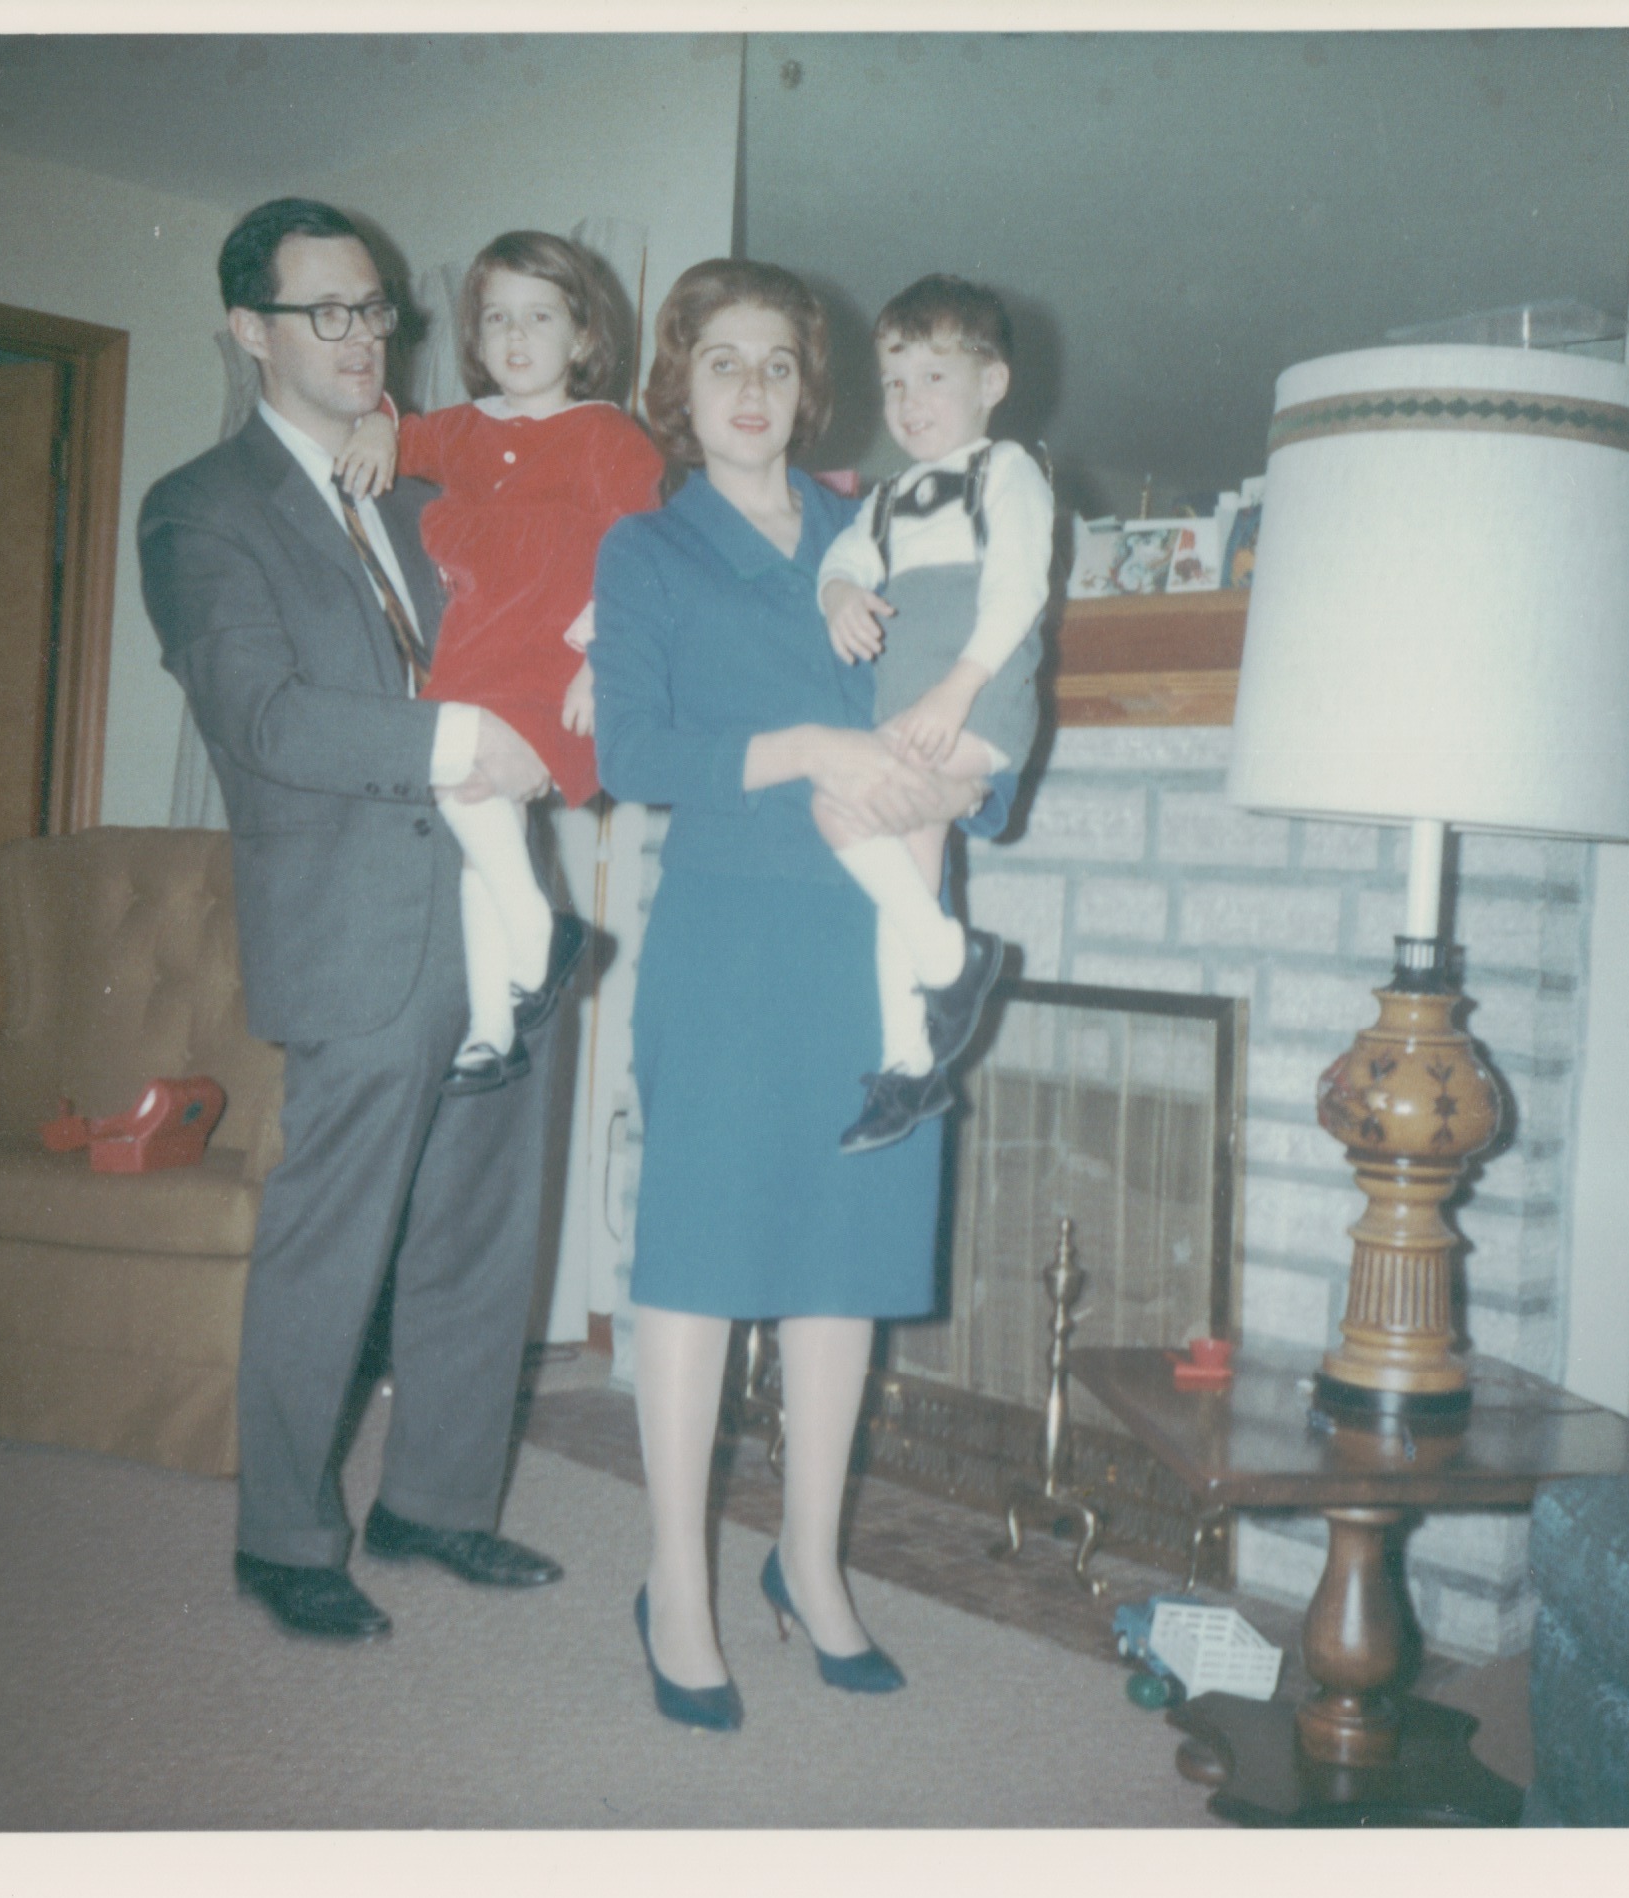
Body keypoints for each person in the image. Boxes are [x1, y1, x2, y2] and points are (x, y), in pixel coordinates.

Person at [590, 259, 1009, 1732]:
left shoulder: (879, 523)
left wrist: (959, 787)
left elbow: (989, 674)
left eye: (777, 362)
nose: (752, 387)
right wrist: (812, 751)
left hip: (877, 938)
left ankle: (812, 1564)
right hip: (727, 936)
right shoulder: (648, 550)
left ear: (809, 389)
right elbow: (631, 751)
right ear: (680, 385)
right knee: (700, 1255)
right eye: (722, 361)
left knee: (847, 1248)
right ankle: (677, 1582)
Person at [139, 198, 565, 1643]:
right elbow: (260, 715)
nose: (362, 334)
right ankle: (284, 1534)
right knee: (332, 1239)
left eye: (376, 307)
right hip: (353, 917)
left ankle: (436, 1500)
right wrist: (463, 739)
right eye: (325, 310)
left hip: (496, 902)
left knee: (480, 1228)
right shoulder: (201, 507)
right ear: (247, 331)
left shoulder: (424, 483)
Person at [337, 231, 663, 1089]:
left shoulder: (607, 435)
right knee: (482, 828)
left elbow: (640, 559)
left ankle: (540, 936)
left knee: (463, 793)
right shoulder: (463, 431)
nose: (516, 337)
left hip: (557, 665)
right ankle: (492, 1028)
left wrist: (602, 661)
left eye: (540, 317)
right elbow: (395, 429)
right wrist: (378, 427)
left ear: (582, 338)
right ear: (475, 340)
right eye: (497, 319)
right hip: (475, 660)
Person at [816, 274, 1055, 1155]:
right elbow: (841, 559)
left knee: (837, 803)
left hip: (972, 702)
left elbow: (1019, 590)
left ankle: (958, 963)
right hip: (916, 713)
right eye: (894, 382)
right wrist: (840, 594)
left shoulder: (1006, 469)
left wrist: (957, 688)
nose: (909, 401)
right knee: (907, 888)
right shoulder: (885, 500)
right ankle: (909, 1064)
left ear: (991, 382)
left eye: (933, 377)